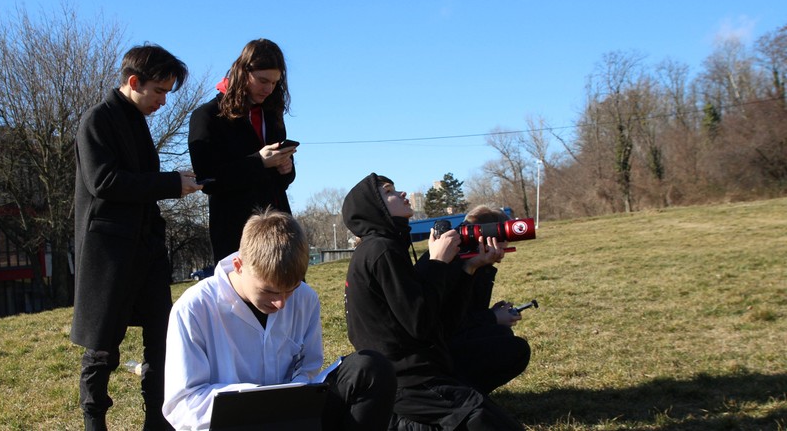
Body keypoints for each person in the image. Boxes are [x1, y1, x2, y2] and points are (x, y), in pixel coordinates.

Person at [163, 209, 396, 431]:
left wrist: (298, 391)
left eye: (290, 290)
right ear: (239, 266)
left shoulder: (305, 298)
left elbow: (310, 367)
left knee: (372, 368)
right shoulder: (194, 308)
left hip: (296, 417)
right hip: (236, 423)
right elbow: (182, 403)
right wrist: (256, 401)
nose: (281, 304)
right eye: (269, 292)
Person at [71, 43, 201, 431]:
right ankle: (94, 422)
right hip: (109, 253)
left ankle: (156, 423)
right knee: (102, 348)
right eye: (159, 90)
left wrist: (174, 184)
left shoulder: (135, 121)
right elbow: (103, 182)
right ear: (133, 82)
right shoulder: (97, 119)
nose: (163, 100)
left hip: (145, 250)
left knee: (161, 342)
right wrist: (170, 183)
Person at [341, 173, 524, 431]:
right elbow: (420, 322)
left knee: (506, 353)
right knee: (489, 421)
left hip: (420, 369)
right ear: (374, 207)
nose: (401, 193)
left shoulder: (387, 247)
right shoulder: (381, 250)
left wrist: (470, 268)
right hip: (406, 380)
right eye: (388, 191)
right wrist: (437, 262)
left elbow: (442, 323)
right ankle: (397, 422)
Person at [188, 38, 297, 263]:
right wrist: (259, 162)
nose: (269, 89)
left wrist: (286, 168)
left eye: (275, 83)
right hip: (236, 235)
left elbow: (280, 182)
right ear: (242, 72)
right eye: (262, 80)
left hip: (279, 229)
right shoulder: (207, 116)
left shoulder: (272, 115)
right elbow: (207, 180)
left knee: (291, 295)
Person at [444, 205, 531, 396]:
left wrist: (491, 314)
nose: (506, 244)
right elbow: (449, 324)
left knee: (501, 334)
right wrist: (492, 317)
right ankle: (461, 398)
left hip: (449, 343)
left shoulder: (476, 263)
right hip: (439, 352)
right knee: (516, 349)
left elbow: (467, 312)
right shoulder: (455, 264)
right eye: (502, 237)